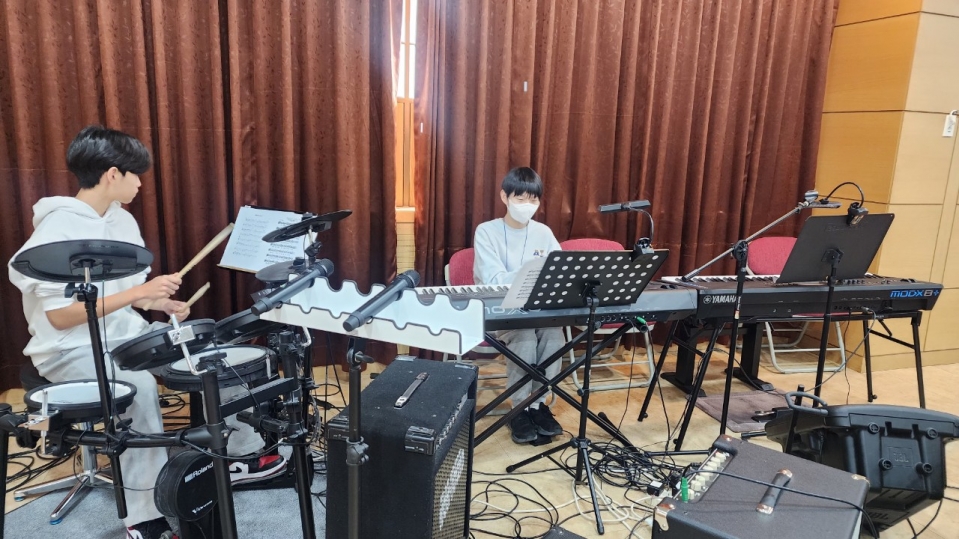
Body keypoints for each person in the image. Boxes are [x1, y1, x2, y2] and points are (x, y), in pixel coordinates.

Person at [8, 126, 283, 539]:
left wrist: (160, 303)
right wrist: (140, 292)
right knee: (137, 388)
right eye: (135, 175)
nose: (140, 184)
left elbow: (127, 296)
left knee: (214, 353)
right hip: (68, 348)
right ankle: (143, 516)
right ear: (112, 174)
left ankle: (241, 456)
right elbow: (61, 317)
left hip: (128, 334)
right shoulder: (56, 231)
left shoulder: (121, 220)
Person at [473, 167, 565, 444]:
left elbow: (560, 270)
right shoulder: (487, 231)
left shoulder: (543, 232)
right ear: (505, 197)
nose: (527, 205)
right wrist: (534, 272)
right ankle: (520, 408)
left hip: (538, 309)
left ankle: (539, 404)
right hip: (501, 311)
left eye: (533, 200)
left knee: (554, 335)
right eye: (520, 199)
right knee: (524, 337)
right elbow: (493, 280)